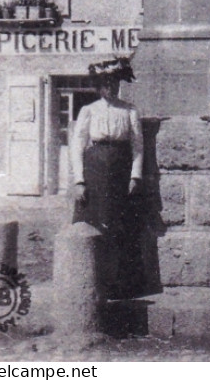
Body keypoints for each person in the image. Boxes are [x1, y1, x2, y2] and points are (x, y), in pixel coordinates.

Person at [70, 56, 144, 298]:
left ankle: (120, 284)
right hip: (95, 170)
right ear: (99, 87)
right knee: (94, 221)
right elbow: (77, 146)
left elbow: (138, 146)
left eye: (113, 84)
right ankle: (92, 280)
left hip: (121, 169)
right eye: (105, 84)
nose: (109, 89)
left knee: (121, 225)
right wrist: (79, 181)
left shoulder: (129, 110)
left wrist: (135, 176)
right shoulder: (89, 110)